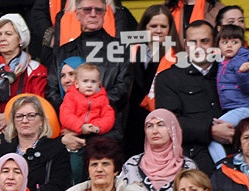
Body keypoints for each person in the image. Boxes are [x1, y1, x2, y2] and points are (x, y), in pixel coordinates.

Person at [43, 0, 132, 133]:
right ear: (77, 14)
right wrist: (73, 116)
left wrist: (94, 114)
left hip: (107, 129)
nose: (93, 14)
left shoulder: (121, 50)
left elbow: (123, 89)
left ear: (105, 13)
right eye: (87, 10)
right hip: (70, 129)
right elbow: (51, 90)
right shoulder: (62, 52)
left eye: (99, 10)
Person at [154, 20, 227, 175]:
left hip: (235, 155)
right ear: (186, 45)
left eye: (205, 41)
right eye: (193, 42)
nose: (199, 47)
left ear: (214, 43)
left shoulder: (228, 73)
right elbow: (168, 123)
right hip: (192, 164)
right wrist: (209, 130)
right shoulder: (168, 79)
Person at [0, 93, 71, 191]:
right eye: (19, 116)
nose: (24, 121)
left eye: (31, 116)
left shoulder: (57, 150)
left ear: (41, 121)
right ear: (13, 121)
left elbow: (58, 187)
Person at [126, 5, 182, 156]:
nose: (158, 30)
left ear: (170, 29)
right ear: (144, 27)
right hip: (130, 122)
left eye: (163, 26)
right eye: (153, 26)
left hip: (160, 122)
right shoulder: (129, 50)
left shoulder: (178, 56)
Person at [121, 109, 198, 191]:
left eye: (161, 125)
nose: (154, 131)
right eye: (149, 126)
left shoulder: (188, 167)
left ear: (172, 129)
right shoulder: (132, 165)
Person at [0, 14, 47, 115]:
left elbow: (38, 106)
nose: (2, 38)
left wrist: (9, 117)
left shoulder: (35, 70)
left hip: (22, 127)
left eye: (8, 34)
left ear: (20, 39)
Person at [211, 24, 249, 166]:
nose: (229, 46)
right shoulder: (223, 61)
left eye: (234, 42)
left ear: (242, 44)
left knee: (211, 133)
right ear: (218, 44)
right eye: (225, 42)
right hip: (235, 109)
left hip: (245, 108)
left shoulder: (241, 60)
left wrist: (242, 73)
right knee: (238, 142)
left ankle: (221, 167)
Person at [58, 63, 116, 143]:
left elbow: (108, 117)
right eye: (85, 81)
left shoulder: (103, 98)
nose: (89, 85)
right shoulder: (70, 96)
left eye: (93, 81)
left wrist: (97, 128)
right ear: (77, 84)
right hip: (73, 134)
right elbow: (66, 115)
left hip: (95, 135)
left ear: (99, 84)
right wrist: (81, 127)